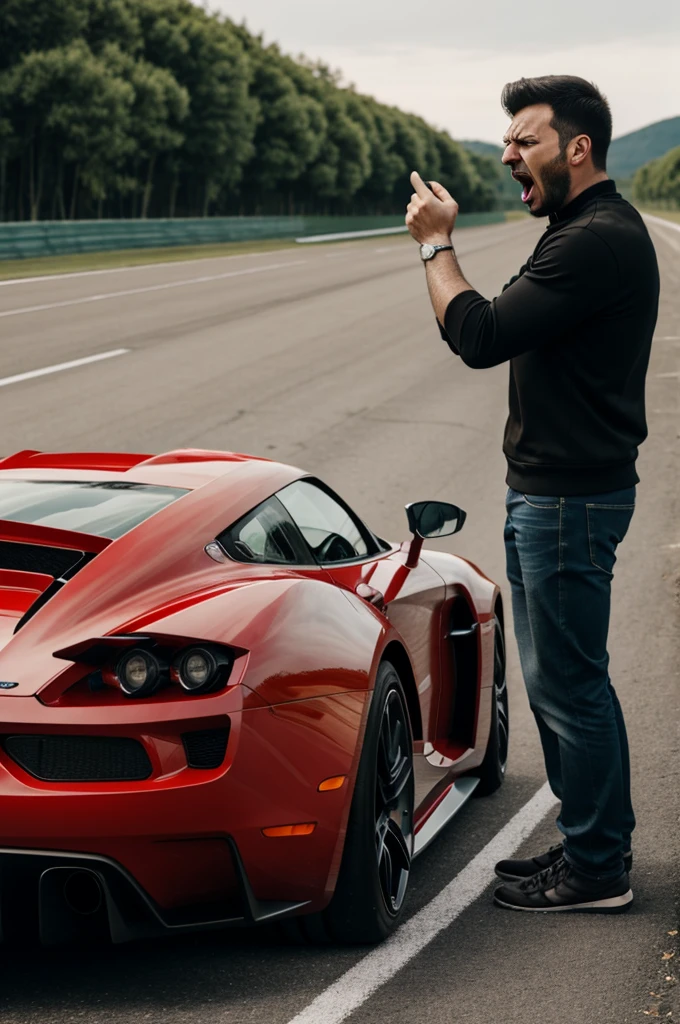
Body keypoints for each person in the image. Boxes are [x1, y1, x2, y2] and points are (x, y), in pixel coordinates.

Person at [405, 75, 659, 913]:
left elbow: (479, 333)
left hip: (566, 502)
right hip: (560, 494)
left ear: (576, 147)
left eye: (525, 139)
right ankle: (594, 844)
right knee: (567, 680)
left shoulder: (594, 239)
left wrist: (436, 246)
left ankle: (596, 869)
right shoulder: (582, 229)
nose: (509, 153)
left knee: (570, 684)